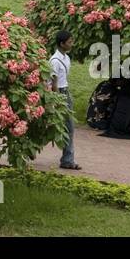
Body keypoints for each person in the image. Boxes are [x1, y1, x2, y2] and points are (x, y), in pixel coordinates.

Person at [50, 31, 80, 170]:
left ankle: (67, 159)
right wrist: (57, 101)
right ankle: (67, 160)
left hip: (65, 92)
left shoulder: (66, 58)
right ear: (62, 44)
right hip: (59, 94)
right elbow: (54, 84)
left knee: (68, 127)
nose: (71, 44)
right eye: (69, 42)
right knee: (66, 127)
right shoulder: (55, 61)